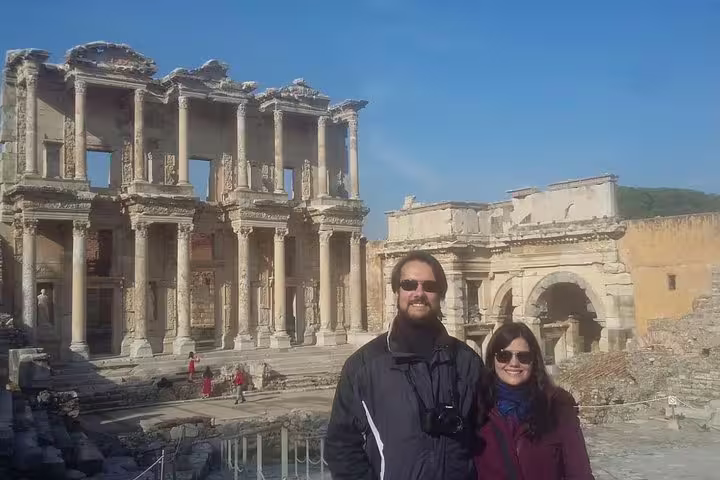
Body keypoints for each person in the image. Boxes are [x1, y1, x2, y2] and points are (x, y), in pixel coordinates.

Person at [326, 251, 485, 480]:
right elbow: (341, 446)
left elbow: (488, 434)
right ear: (396, 291)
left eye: (429, 286)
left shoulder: (467, 361)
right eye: (409, 284)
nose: (419, 293)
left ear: (440, 294)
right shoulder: (363, 365)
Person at [474, 322, 595, 480]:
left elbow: (579, 472)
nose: (514, 363)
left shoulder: (557, 407)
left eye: (523, 356)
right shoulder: (478, 407)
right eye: (504, 355)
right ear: (493, 359)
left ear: (534, 361)